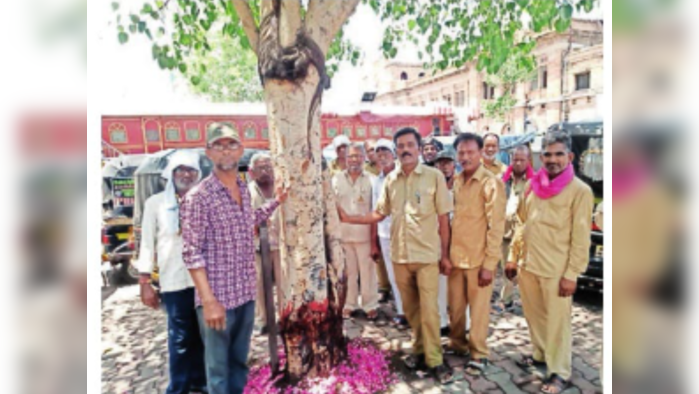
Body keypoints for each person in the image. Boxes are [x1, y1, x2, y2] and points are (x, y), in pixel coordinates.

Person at [339, 127, 455, 385]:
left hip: (427, 256)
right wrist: (349, 218)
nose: (405, 149)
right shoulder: (391, 180)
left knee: (430, 310)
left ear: (418, 146)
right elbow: (378, 214)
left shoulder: (434, 176)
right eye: (400, 145)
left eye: (409, 145)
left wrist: (445, 255)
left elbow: (443, 220)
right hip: (400, 257)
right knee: (411, 309)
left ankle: (435, 360)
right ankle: (420, 350)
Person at [180, 123, 288, 394]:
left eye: (231, 145)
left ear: (240, 150)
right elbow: (191, 252)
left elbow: (248, 220)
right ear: (209, 153)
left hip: (245, 293)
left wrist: (277, 201)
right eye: (219, 145)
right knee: (218, 370)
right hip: (218, 300)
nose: (225, 151)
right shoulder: (199, 197)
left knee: (239, 363)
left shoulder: (241, 188)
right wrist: (208, 301)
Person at [507, 132, 594, 394]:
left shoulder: (580, 191)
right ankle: (540, 355)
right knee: (534, 317)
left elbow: (581, 238)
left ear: (569, 157)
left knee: (557, 323)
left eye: (558, 154)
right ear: (541, 157)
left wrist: (572, 274)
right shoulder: (534, 185)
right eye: (547, 154)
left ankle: (560, 371)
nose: (552, 159)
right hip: (528, 265)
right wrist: (513, 256)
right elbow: (522, 224)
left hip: (556, 271)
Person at [138, 150, 207, 394]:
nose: (186, 174)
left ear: (198, 174)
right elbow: (147, 243)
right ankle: (178, 387)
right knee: (179, 338)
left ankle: (201, 382)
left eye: (191, 170)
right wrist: (145, 282)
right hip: (174, 281)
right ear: (171, 173)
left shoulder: (206, 200)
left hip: (205, 281)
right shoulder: (155, 203)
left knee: (203, 334)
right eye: (180, 169)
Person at [447, 133, 506, 375]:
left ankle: (479, 353)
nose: (465, 157)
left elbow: (497, 227)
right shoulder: (457, 181)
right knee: (456, 308)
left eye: (471, 152)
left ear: (481, 153)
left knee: (479, 311)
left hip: (478, 260)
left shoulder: (491, 183)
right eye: (461, 152)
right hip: (455, 257)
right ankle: (458, 345)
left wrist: (489, 265)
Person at [332, 143, 380, 320]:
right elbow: (332, 207)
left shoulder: (372, 180)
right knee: (349, 273)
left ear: (364, 158)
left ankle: (370, 305)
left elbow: (376, 210)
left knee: (368, 273)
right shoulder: (335, 179)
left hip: (365, 235)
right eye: (351, 156)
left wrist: (375, 241)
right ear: (345, 158)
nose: (355, 160)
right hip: (343, 236)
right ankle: (349, 304)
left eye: (358, 156)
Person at [370, 138, 408, 329]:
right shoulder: (376, 181)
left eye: (386, 152)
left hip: (406, 234)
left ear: (394, 155)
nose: (383, 155)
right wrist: (373, 242)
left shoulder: (403, 176)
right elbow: (374, 212)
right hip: (385, 235)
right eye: (379, 153)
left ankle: (415, 311)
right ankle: (402, 312)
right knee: (394, 277)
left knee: (409, 276)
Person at [248, 153, 286, 335]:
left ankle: (284, 318)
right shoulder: (247, 191)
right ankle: (264, 320)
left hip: (281, 246)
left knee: (283, 283)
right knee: (260, 284)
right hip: (256, 247)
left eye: (268, 167)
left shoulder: (281, 190)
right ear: (252, 172)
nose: (265, 172)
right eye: (260, 168)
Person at [495, 145, 535, 313]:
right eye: (515, 159)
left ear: (528, 160)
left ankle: (529, 301)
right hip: (504, 230)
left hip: (525, 233)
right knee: (507, 268)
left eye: (522, 160)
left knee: (526, 269)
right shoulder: (501, 179)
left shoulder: (536, 181)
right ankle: (507, 299)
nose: (518, 163)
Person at [433, 150, 458, 336]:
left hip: (460, 241)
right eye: (441, 163)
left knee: (458, 286)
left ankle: (461, 324)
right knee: (440, 284)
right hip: (439, 240)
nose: (444, 167)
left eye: (448, 163)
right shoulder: (432, 186)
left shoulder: (461, 184)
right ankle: (442, 322)